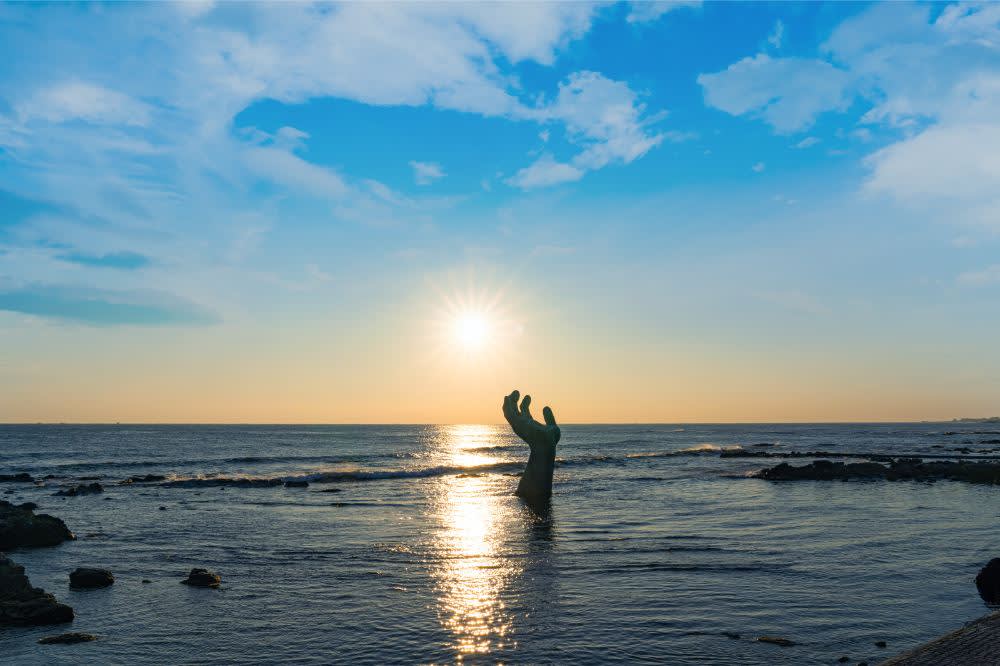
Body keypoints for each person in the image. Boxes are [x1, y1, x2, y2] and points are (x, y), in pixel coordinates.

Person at [502, 390, 561, 507]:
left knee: (536, 510)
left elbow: (532, 496)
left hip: (534, 497)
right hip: (542, 494)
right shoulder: (551, 436)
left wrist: (542, 447)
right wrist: (546, 448)